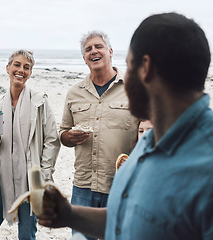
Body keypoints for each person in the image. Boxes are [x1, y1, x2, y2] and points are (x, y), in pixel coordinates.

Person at [39, 12, 213, 239]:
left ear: (146, 69)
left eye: (128, 65)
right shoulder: (146, 144)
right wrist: (70, 216)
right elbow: (126, 220)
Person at [0, 49, 60, 239]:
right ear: (8, 68)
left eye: (26, 67)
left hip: (30, 181)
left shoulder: (40, 102)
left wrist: (43, 175)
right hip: (1, 180)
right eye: (17, 65)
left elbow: (52, 140)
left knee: (27, 235)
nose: (21, 70)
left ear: (30, 73)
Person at [58, 30, 137, 239]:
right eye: (88, 49)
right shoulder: (74, 92)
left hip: (121, 185)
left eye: (98, 46)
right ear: (84, 58)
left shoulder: (134, 89)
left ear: (110, 52)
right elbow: (62, 134)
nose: (94, 51)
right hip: (83, 186)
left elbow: (146, 135)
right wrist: (69, 137)